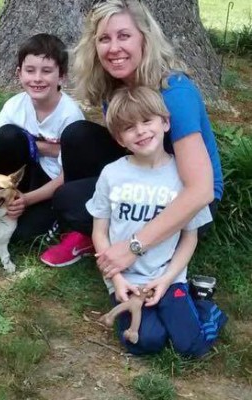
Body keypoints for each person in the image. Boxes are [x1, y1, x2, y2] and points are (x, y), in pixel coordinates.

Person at [40, 0, 223, 271]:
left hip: (189, 196)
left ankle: (111, 235)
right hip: (147, 167)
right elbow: (129, 150)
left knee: (71, 203)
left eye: (124, 36)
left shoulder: (175, 93)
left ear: (144, 40)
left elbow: (201, 190)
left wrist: (134, 245)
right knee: (77, 136)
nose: (114, 48)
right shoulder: (115, 89)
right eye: (104, 39)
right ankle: (92, 233)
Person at [87, 86, 227, 356]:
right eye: (129, 127)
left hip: (167, 277)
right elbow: (99, 232)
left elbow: (189, 237)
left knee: (192, 346)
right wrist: (116, 280)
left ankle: (204, 306)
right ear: (119, 138)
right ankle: (164, 317)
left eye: (147, 121)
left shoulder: (184, 178)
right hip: (126, 281)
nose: (140, 131)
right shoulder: (111, 174)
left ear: (165, 122)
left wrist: (166, 280)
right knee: (144, 342)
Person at [0, 33, 86, 242]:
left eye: (46, 71)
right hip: (16, 176)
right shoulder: (14, 106)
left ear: (62, 76)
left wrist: (25, 200)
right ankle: (1, 200)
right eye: (30, 70)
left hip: (50, 182)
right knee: (7, 136)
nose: (37, 78)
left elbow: (67, 176)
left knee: (23, 236)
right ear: (19, 73)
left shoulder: (70, 115)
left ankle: (48, 217)